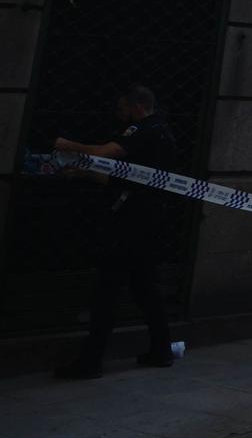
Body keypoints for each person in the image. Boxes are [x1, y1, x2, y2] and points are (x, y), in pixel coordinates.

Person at [51, 84, 177, 379]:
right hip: (148, 219)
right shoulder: (164, 133)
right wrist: (83, 174)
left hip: (130, 222)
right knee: (145, 288)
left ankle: (90, 360)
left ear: (136, 106)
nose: (120, 116)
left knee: (107, 290)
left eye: (123, 109)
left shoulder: (143, 130)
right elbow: (130, 178)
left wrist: (67, 145)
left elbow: (106, 153)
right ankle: (161, 349)